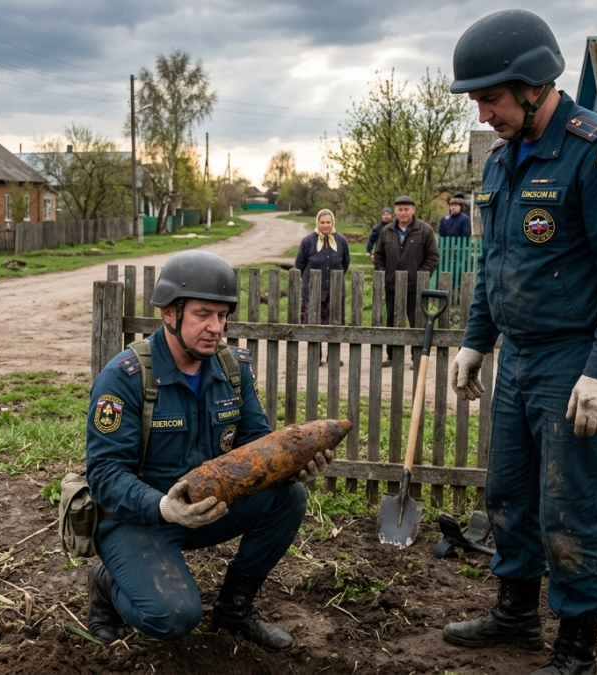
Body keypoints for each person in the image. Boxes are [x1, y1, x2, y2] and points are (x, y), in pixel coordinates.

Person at [444, 10, 597, 675]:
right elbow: (496, 263)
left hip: (576, 360)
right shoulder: (501, 161)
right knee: (508, 494)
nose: (484, 114)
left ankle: (575, 651)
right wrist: (476, 341)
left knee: (570, 506)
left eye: (492, 99)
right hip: (518, 356)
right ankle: (515, 615)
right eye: (477, 101)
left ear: (534, 84)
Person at [84, 250, 333, 651]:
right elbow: (104, 475)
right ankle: (106, 583)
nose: (215, 328)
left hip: (205, 509)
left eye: (221, 315)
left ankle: (234, 608)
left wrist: (292, 466)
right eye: (203, 314)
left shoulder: (232, 370)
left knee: (288, 497)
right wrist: (164, 507)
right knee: (174, 618)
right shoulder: (125, 378)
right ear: (169, 313)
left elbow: (257, 444)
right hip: (137, 520)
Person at [372, 195, 439, 366]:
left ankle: (417, 358)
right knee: (392, 321)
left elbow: (433, 257)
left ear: (413, 210)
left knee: (416, 323)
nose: (403, 213)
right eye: (400, 209)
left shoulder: (425, 230)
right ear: (395, 211)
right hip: (392, 286)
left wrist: (420, 275)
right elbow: (378, 256)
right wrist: (384, 274)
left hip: (415, 288)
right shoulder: (387, 231)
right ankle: (392, 356)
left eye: (406, 209)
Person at [294, 208, 350, 325]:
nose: (325, 225)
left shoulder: (341, 241)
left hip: (335, 293)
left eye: (328, 222)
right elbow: (299, 265)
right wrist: (310, 280)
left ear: (333, 222)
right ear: (317, 223)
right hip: (312, 293)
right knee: (311, 327)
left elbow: (345, 264)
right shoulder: (308, 241)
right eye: (322, 222)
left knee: (334, 328)